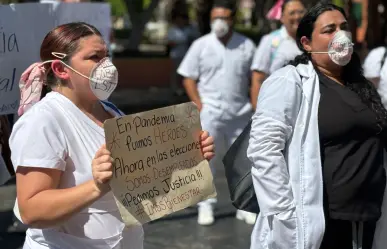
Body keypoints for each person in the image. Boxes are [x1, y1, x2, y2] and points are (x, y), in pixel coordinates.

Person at [9, 22, 215, 249]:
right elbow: (32, 210)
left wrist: (187, 157)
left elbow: (141, 179)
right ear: (61, 69)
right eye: (95, 57)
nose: (107, 65)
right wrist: (96, 186)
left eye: (107, 56)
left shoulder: (111, 111)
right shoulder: (43, 120)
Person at [247, 3, 387, 249]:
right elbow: (264, 151)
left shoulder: (361, 86)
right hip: (323, 225)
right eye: (329, 29)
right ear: (307, 43)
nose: (340, 35)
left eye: (344, 27)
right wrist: (285, 215)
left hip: (368, 218)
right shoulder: (289, 82)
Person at [177, 0, 257, 226]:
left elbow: (256, 78)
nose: (219, 22)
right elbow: (188, 77)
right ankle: (205, 206)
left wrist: (254, 105)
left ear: (232, 19)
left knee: (243, 162)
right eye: (215, 18)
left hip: (240, 114)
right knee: (206, 160)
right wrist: (199, 105)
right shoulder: (200, 45)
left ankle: (245, 205)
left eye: (223, 17)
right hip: (210, 113)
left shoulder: (246, 45)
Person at [250, 0, 305, 109]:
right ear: (282, 17)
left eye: (301, 12)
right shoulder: (270, 41)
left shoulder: (310, 41)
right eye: (292, 13)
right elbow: (258, 78)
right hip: (275, 108)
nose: (297, 16)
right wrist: (257, 110)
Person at [167, 6, 199, 96]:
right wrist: (179, 42)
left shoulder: (189, 30)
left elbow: (195, 39)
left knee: (187, 73)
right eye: (179, 20)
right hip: (176, 55)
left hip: (187, 55)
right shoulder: (172, 30)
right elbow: (170, 43)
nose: (181, 21)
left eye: (182, 20)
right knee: (175, 73)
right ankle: (175, 90)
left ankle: (186, 90)